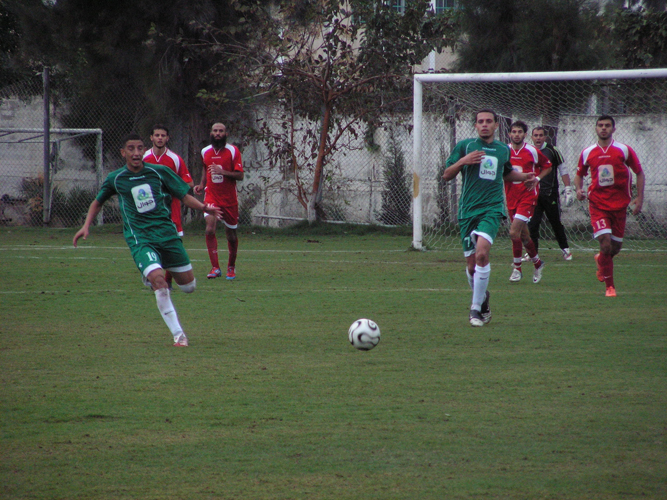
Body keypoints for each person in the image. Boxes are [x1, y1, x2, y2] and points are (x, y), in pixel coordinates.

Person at [73, 133, 222, 346]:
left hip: (167, 235)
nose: (136, 153)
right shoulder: (116, 178)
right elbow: (98, 202)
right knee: (160, 283)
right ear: (123, 153)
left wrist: (204, 207)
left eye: (139, 148)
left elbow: (184, 195)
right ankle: (178, 335)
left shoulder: (159, 172)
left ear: (144, 150)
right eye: (131, 149)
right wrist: (86, 225)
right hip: (140, 238)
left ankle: (153, 270)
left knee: (189, 287)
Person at [443, 110, 537, 327]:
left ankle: (474, 310)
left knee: (482, 254)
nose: (484, 125)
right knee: (471, 267)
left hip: (492, 209)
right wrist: (463, 162)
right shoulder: (465, 147)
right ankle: (482, 298)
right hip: (467, 212)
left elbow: (505, 173)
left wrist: (524, 177)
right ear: (475, 126)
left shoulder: (503, 149)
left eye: (488, 121)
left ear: (496, 125)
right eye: (480, 122)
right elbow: (446, 174)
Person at [573, 115, 644, 297]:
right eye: (600, 125)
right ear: (595, 128)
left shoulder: (624, 150)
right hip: (597, 204)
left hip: (619, 205)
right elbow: (579, 174)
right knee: (605, 244)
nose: (603, 128)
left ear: (613, 129)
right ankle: (610, 287)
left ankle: (601, 260)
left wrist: (639, 197)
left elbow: (639, 172)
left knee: (614, 249)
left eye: (607, 125)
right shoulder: (588, 152)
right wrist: (579, 190)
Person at [143, 124, 194, 289]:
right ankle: (154, 276)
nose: (159, 138)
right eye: (156, 135)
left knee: (173, 246)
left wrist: (170, 186)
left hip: (172, 210)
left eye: (163, 135)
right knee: (151, 245)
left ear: (167, 138)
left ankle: (168, 281)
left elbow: (188, 182)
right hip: (149, 211)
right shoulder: (144, 158)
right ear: (151, 137)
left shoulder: (175, 159)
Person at [194, 122, 244, 281]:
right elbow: (205, 167)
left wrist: (223, 172)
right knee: (209, 228)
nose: (217, 133)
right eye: (215, 130)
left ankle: (231, 266)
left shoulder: (233, 151)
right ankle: (215, 267)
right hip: (211, 196)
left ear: (226, 133)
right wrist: (202, 184)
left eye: (221, 131)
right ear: (211, 132)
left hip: (229, 199)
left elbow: (240, 175)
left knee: (231, 235)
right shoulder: (205, 151)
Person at [504, 121, 551, 284]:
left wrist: (537, 179)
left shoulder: (532, 151)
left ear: (525, 134)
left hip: (528, 196)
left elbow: (548, 166)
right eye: (513, 131)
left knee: (513, 232)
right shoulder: (505, 151)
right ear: (509, 134)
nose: (516, 134)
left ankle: (517, 269)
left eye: (520, 132)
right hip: (511, 197)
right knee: (523, 235)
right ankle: (538, 263)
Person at [525, 127, 574, 261]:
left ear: (545, 137)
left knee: (555, 222)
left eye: (541, 135)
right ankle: (532, 253)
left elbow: (563, 169)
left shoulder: (552, 150)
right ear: (531, 137)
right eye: (535, 135)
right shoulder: (528, 151)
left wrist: (568, 189)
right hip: (533, 194)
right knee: (532, 224)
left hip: (550, 194)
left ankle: (566, 250)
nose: (538, 138)